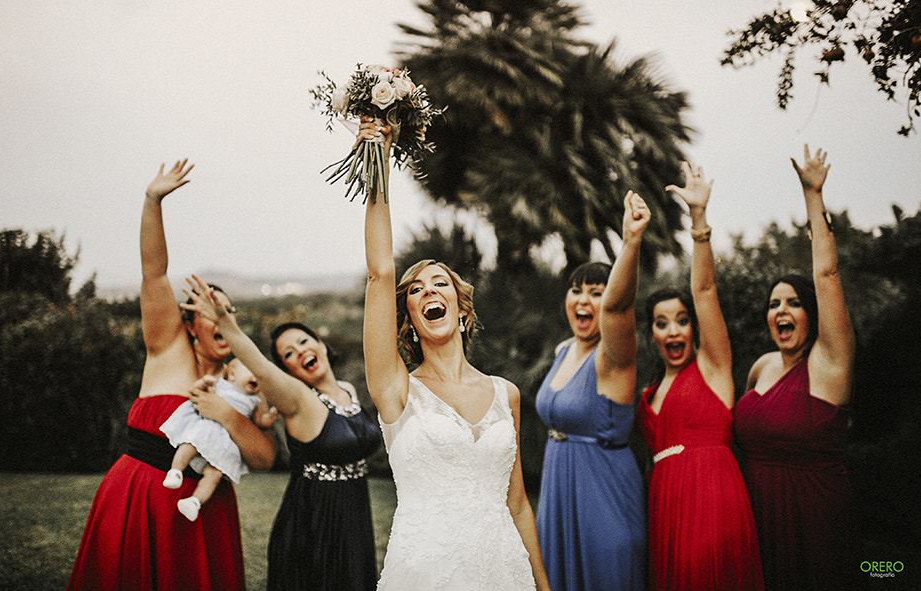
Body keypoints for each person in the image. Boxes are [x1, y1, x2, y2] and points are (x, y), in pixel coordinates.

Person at [357, 117, 550, 591]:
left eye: (439, 284)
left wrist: (543, 585)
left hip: (504, 573)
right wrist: (377, 161)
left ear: (461, 310)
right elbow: (382, 273)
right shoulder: (397, 390)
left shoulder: (507, 395)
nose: (428, 293)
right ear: (409, 321)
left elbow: (519, 504)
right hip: (426, 576)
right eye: (416, 291)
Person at [67, 160, 277, 590]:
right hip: (136, 498)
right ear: (189, 322)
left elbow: (265, 458)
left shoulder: (247, 380)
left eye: (227, 310)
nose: (220, 314)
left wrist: (224, 413)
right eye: (208, 307)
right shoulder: (167, 350)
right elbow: (154, 273)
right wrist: (152, 201)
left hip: (205, 511)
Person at [182, 277, 384, 591]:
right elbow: (260, 366)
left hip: (353, 519)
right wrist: (223, 318)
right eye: (288, 354)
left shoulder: (348, 390)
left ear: (320, 344)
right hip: (313, 525)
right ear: (288, 373)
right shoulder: (299, 401)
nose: (299, 352)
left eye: (303, 342)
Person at [733, 145, 859, 590]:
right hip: (757, 516)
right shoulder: (761, 367)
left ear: (812, 313)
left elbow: (826, 274)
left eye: (793, 303)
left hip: (815, 517)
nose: (781, 311)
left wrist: (812, 195)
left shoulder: (831, 362)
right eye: (773, 304)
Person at [636, 162, 764, 590]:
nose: (673, 330)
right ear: (652, 333)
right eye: (661, 322)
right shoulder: (649, 393)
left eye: (681, 321)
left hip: (713, 500)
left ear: (694, 328)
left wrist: (698, 219)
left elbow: (704, 291)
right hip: (665, 507)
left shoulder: (712, 367)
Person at [535, 192, 650, 591]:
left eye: (596, 292)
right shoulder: (563, 350)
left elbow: (619, 310)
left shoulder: (613, 357)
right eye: (577, 290)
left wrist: (631, 241)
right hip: (557, 495)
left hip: (604, 498)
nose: (585, 301)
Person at [160, 357, 278, 521]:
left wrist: (269, 418)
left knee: (214, 474)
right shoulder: (221, 385)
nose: (256, 376)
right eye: (251, 371)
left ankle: (195, 502)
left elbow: (259, 421)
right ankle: (175, 471)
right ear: (232, 374)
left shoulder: (255, 400)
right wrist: (206, 382)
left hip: (226, 442)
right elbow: (202, 392)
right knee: (190, 444)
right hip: (210, 428)